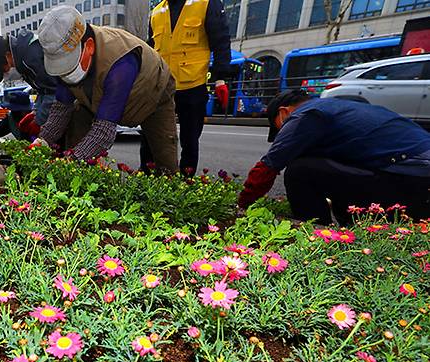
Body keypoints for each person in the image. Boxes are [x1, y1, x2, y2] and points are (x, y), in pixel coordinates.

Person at [238, 90, 430, 225]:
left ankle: (315, 231)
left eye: (279, 128)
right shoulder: (339, 107)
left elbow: (268, 167)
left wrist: (243, 205)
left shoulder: (305, 115)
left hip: (410, 178)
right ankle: (352, 226)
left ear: (283, 113)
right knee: (328, 168)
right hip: (414, 177)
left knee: (300, 170)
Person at [33, 6, 178, 173]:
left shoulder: (120, 63)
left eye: (70, 64)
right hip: (99, 98)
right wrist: (42, 141)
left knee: (165, 160)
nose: (66, 72)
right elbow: (60, 110)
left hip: (153, 92)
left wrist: (70, 162)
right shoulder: (65, 60)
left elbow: (104, 131)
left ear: (89, 47)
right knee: (76, 126)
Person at [149, 0, 232, 175]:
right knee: (152, 135)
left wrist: (221, 78)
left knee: (190, 139)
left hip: (192, 84)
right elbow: (150, 48)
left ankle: (186, 181)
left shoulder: (206, 3)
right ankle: (148, 177)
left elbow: (221, 41)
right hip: (161, 85)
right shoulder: (156, 12)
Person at [0, 30, 57, 138]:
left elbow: (52, 91)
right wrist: (35, 113)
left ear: (7, 55)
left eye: (5, 68)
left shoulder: (29, 59)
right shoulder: (23, 55)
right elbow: (42, 90)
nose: (8, 70)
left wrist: (38, 121)